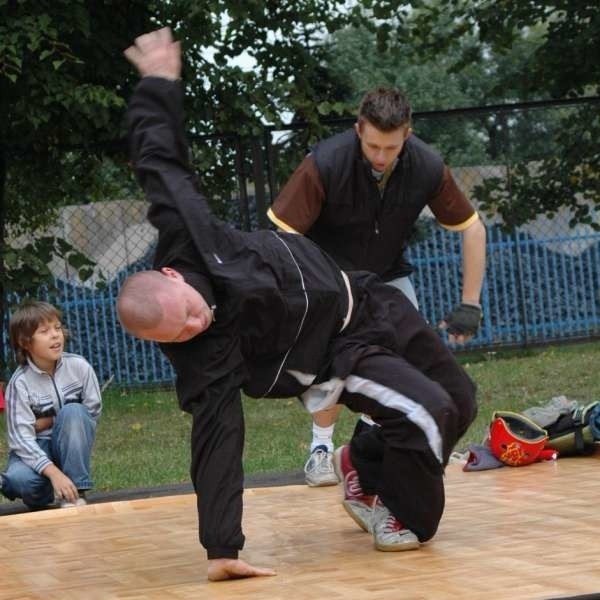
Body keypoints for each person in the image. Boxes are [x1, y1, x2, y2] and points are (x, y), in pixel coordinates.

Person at [118, 28, 477, 582]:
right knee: (427, 412)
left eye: (189, 310)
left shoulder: (187, 236)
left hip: (366, 294)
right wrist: (222, 549)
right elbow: (216, 440)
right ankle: (403, 513)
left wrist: (159, 84)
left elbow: (159, 161)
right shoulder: (204, 357)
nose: (198, 323)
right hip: (337, 353)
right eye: (181, 334)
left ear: (173, 275)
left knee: (460, 399)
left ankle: (364, 462)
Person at [267, 86, 487, 486]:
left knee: (410, 364)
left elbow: (472, 228)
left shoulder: (426, 165)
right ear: (358, 130)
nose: (381, 157)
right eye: (372, 146)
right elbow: (280, 238)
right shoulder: (325, 164)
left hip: (386, 275)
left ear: (407, 133)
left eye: (391, 147)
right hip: (331, 276)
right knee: (335, 365)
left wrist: (470, 303)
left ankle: (380, 448)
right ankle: (320, 449)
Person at [0, 301, 102, 510]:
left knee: (74, 411)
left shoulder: (79, 367)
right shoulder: (19, 383)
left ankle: (74, 493)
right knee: (22, 480)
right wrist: (53, 472)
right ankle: (15, 483)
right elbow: (21, 439)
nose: (56, 335)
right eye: (45, 331)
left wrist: (52, 421)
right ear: (25, 342)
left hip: (69, 445)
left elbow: (91, 412)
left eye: (57, 328)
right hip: (36, 449)